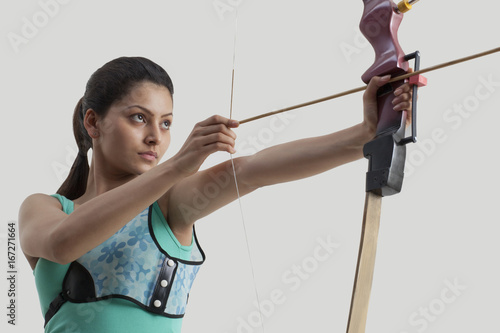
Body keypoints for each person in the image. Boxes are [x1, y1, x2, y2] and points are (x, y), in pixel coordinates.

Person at [19, 56, 412, 333]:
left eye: (167, 122)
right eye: (139, 117)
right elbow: (62, 243)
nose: (156, 136)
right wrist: (178, 165)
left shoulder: (169, 204)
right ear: (93, 121)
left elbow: (251, 170)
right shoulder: (46, 208)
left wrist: (363, 135)